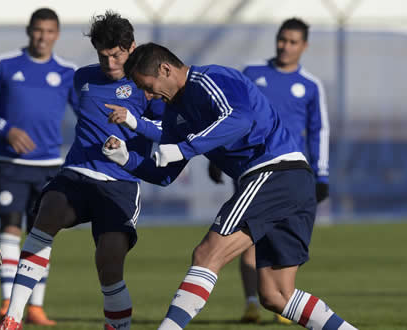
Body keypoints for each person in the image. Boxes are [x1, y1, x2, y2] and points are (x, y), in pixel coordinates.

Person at [102, 42, 356, 330]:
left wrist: (185, 148)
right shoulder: (174, 114)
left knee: (206, 254)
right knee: (276, 295)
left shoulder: (210, 79)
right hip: (290, 182)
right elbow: (166, 174)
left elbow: (240, 119)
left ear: (165, 69)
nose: (148, 95)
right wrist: (125, 159)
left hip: (274, 172)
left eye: (147, 86)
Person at [0, 11, 164, 330]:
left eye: (116, 55)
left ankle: (117, 326)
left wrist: (132, 122)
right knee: (47, 213)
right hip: (77, 174)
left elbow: (166, 129)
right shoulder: (82, 78)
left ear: (131, 48)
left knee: (109, 263)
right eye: (104, 56)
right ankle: (13, 318)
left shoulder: (148, 86)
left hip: (121, 183)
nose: (111, 63)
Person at [207, 17, 330, 324]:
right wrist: (216, 156)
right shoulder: (253, 73)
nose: (285, 46)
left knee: (283, 238)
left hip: (291, 175)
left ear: (304, 46)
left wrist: (322, 173)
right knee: (248, 234)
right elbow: (231, 116)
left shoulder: (311, 86)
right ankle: (252, 302)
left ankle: (281, 300)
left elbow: (319, 131)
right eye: (281, 39)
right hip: (252, 168)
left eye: (292, 41)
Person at [0, 8, 78, 326]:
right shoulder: (4, 64)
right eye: (37, 30)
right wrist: (7, 129)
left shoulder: (67, 72)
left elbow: (86, 114)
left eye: (49, 31)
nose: (42, 37)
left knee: (43, 234)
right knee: (10, 230)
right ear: (29, 31)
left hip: (50, 166)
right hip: (11, 164)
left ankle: (36, 307)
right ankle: (7, 302)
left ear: (57, 34)